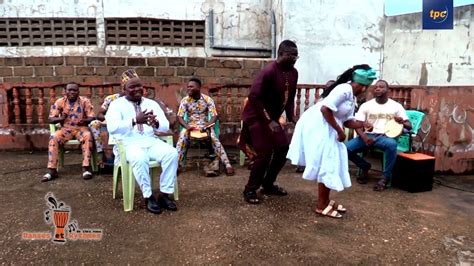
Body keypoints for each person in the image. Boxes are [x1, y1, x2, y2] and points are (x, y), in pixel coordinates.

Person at [287, 65, 376, 218]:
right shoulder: (344, 90)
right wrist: (339, 131)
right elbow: (325, 110)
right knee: (328, 163)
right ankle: (321, 206)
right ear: (362, 85)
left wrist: (363, 124)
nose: (366, 90)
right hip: (319, 126)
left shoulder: (351, 96)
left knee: (331, 162)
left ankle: (326, 200)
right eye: (366, 87)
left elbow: (347, 121)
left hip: (329, 127)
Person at [106, 69, 178, 214]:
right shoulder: (116, 105)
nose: (137, 89)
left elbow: (165, 125)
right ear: (124, 89)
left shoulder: (151, 103)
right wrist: (134, 120)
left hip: (150, 140)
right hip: (127, 144)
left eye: (139, 85)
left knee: (172, 154)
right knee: (139, 158)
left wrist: (156, 123)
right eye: (132, 87)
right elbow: (112, 128)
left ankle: (164, 194)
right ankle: (148, 196)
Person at [238, 40, 299, 204]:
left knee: (283, 149)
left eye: (296, 56)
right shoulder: (268, 71)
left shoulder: (293, 73)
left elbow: (290, 97)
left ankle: (268, 184)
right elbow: (254, 97)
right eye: (290, 55)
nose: (294, 59)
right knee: (263, 154)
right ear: (280, 54)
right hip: (256, 117)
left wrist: (291, 116)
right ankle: (250, 189)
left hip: (271, 119)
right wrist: (268, 120)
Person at [345, 79, 412, 191]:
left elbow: (409, 126)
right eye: (376, 87)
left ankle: (385, 178)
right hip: (367, 135)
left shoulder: (396, 106)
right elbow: (357, 125)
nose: (378, 88)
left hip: (385, 137)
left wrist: (402, 121)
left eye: (381, 87)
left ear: (388, 90)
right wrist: (365, 137)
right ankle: (364, 166)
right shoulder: (366, 105)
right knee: (344, 149)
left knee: (392, 145)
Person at [176, 78, 235, 176]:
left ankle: (227, 164)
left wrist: (208, 125)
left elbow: (214, 115)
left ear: (198, 87)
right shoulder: (185, 100)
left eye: (191, 86)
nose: (188, 89)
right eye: (188, 87)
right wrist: (187, 127)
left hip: (205, 126)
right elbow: (179, 116)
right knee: (182, 137)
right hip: (190, 126)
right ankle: (176, 165)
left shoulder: (208, 100)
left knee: (214, 138)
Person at [42, 82, 95, 182]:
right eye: (69, 90)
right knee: (54, 137)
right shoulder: (60, 102)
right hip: (65, 129)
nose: (72, 92)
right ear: (65, 91)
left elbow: (92, 116)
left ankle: (86, 168)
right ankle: (52, 170)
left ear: (78, 92)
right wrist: (61, 118)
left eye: (75, 90)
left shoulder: (85, 101)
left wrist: (85, 120)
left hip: (81, 128)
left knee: (88, 136)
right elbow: (50, 119)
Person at [295, 79, 335, 173]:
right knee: (307, 140)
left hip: (327, 123)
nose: (328, 89)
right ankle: (303, 163)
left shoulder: (336, 98)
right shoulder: (321, 98)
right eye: (326, 87)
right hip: (314, 122)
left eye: (330, 87)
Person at [89, 91, 124, 166]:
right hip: (110, 121)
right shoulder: (112, 98)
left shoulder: (137, 99)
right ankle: (100, 154)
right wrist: (110, 118)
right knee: (94, 124)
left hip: (128, 123)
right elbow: (99, 114)